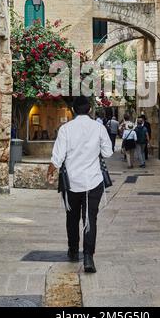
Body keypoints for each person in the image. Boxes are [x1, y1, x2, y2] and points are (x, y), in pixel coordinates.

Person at [48, 96, 113, 274]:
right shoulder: (99, 128)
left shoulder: (66, 129)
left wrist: (50, 171)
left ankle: (73, 250)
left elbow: (58, 157)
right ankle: (88, 258)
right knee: (90, 218)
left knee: (72, 217)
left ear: (74, 110)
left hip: (72, 183)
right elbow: (108, 152)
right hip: (93, 181)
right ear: (90, 110)